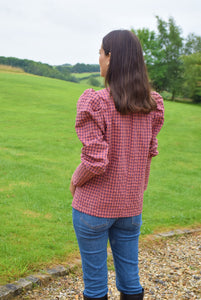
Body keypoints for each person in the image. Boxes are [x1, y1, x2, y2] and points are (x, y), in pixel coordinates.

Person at [70, 30, 164, 300]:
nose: (98, 58)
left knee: (96, 286)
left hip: (93, 208)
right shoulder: (151, 104)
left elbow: (95, 161)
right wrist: (136, 190)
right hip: (131, 207)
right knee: (131, 281)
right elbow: (148, 153)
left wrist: (75, 180)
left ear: (111, 58)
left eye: (100, 52)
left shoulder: (96, 102)